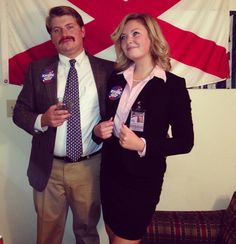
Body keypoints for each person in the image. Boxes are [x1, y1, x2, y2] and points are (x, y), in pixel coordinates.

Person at [13, 5, 114, 244]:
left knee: (87, 233)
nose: (64, 34)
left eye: (69, 27)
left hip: (90, 168)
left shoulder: (107, 70)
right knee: (47, 236)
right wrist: (42, 120)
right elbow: (19, 112)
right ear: (51, 36)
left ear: (82, 30)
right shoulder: (37, 70)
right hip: (48, 168)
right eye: (56, 30)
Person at [93, 13, 194, 244]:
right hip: (110, 174)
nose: (128, 40)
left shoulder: (173, 86)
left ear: (152, 38)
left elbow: (185, 142)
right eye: (123, 37)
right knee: (112, 235)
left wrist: (142, 145)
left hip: (141, 182)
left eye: (136, 33)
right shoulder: (116, 80)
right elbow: (105, 121)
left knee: (125, 239)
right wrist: (97, 132)